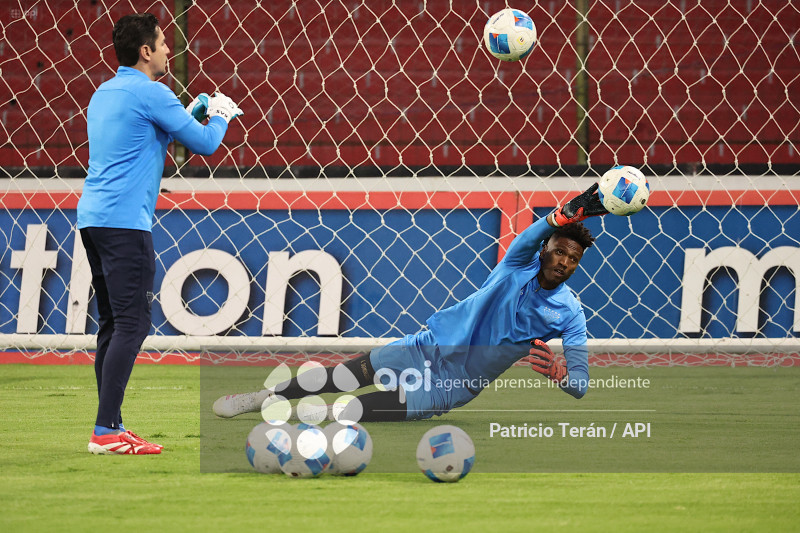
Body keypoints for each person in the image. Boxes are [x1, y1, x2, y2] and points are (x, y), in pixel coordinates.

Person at [213, 185, 608, 422]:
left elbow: (582, 387)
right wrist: (558, 217)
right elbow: (529, 236)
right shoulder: (516, 265)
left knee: (355, 411)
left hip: (454, 385)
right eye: (559, 252)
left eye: (573, 259)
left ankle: (302, 414)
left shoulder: (571, 312)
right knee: (344, 376)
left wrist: (563, 378)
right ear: (546, 251)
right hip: (427, 346)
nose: (565, 262)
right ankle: (262, 398)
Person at [79, 13, 243, 454]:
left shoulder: (103, 92)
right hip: (124, 223)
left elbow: (140, 142)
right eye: (164, 43)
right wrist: (222, 115)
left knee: (113, 324)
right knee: (133, 323)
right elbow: (205, 144)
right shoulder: (153, 91)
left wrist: (187, 115)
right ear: (145, 51)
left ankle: (110, 424)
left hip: (92, 219)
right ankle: (105, 432)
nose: (171, 50)